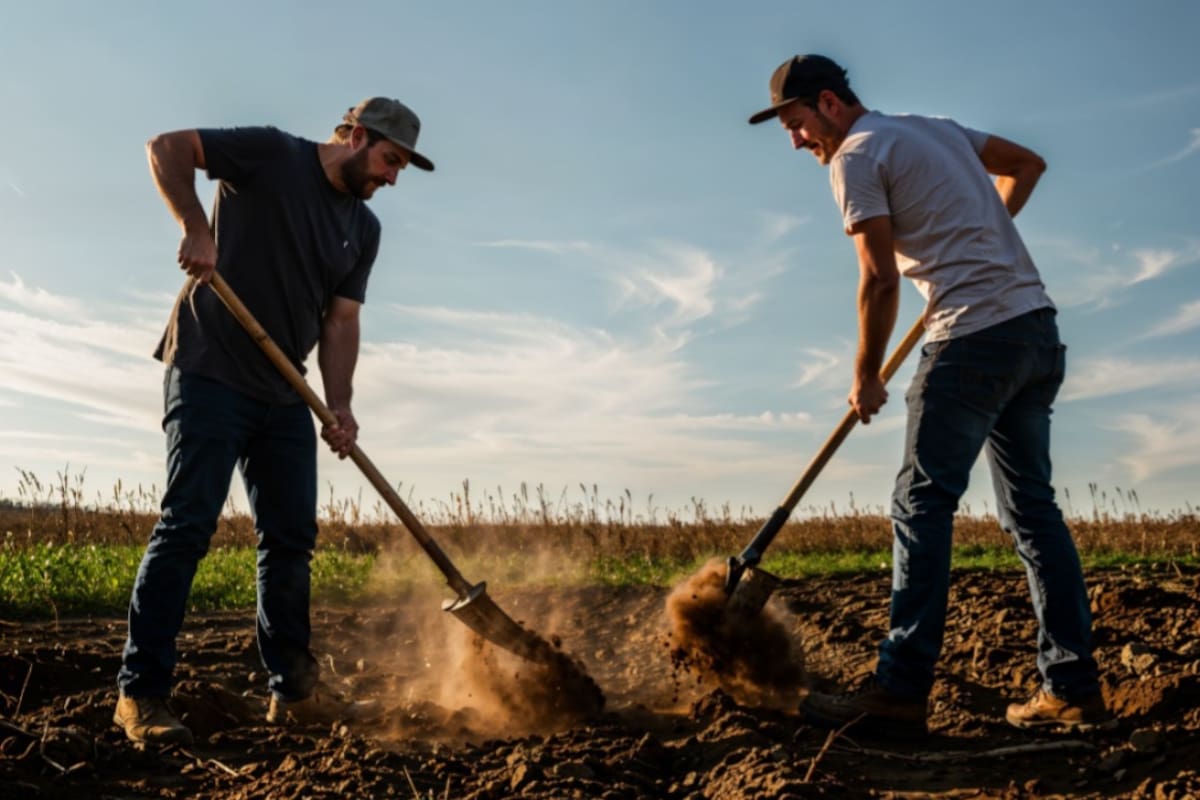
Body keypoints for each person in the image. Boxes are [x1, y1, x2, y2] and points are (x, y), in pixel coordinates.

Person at [747, 55, 1112, 736]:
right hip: (1035, 332)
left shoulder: (854, 157)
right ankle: (1073, 689)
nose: (794, 140)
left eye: (795, 123)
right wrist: (983, 235)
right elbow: (1028, 164)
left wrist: (866, 372)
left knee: (920, 505)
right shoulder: (934, 130)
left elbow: (880, 280)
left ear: (827, 103)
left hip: (971, 339)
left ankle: (898, 692)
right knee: (1034, 512)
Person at [114, 97, 434, 745]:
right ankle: (140, 695)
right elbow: (166, 147)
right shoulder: (271, 154)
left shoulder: (363, 230)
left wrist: (340, 405)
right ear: (355, 136)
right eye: (390, 160)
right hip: (208, 366)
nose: (393, 178)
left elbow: (340, 322)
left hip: (285, 390)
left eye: (400, 167)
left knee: (290, 540)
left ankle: (293, 694)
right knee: (188, 524)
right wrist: (195, 226)